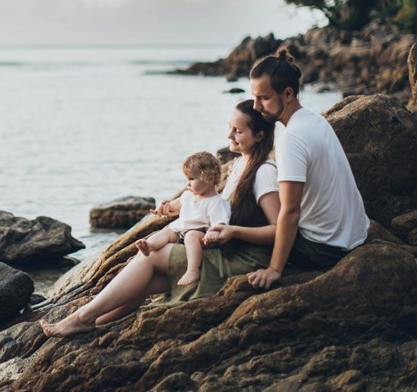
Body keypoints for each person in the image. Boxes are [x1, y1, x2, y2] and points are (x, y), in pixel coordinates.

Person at [40, 100, 279, 337]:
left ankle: (81, 317)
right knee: (150, 279)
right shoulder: (239, 164)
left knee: (151, 255)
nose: (229, 134)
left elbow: (279, 230)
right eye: (229, 127)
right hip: (223, 248)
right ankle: (98, 320)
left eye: (238, 130)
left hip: (242, 258)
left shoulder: (264, 172)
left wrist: (235, 232)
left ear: (259, 136)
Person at [246, 49, 370, 290]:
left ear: (288, 94)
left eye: (263, 98)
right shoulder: (314, 119)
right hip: (354, 236)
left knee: (247, 223)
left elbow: (291, 212)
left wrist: (274, 269)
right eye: (254, 97)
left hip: (325, 248)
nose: (256, 106)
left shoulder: (291, 138)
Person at [135, 151, 231, 286]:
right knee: (166, 232)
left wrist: (213, 233)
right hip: (181, 231)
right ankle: (150, 246)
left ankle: (192, 270)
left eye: (191, 179)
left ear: (208, 179)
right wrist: (163, 208)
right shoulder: (188, 195)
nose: (188, 184)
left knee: (191, 236)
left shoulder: (216, 202)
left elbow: (220, 222)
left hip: (202, 235)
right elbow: (174, 206)